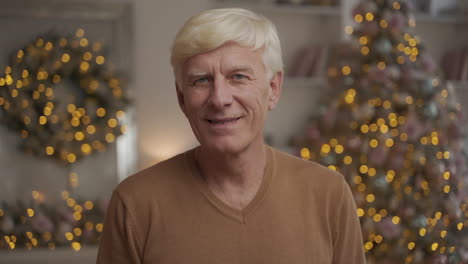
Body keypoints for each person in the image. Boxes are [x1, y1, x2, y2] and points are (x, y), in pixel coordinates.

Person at [97, 8, 366, 264]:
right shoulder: (135, 204)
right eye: (201, 80)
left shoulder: (329, 194)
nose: (220, 99)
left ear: (273, 88)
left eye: (238, 77)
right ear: (181, 98)